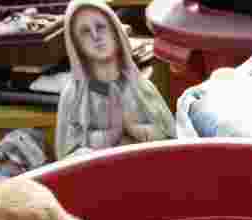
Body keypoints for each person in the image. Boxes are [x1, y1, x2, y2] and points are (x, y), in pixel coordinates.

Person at [55, 0, 174, 160]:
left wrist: (134, 129)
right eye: (85, 32)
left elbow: (169, 138)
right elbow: (67, 156)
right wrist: (109, 136)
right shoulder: (74, 96)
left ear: (116, 33)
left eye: (101, 27)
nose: (96, 36)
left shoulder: (140, 87)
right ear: (76, 45)